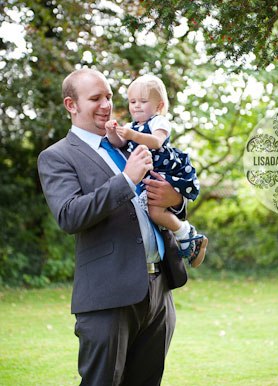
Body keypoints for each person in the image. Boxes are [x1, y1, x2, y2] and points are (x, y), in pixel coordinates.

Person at [38, 68, 189, 385]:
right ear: (71, 105)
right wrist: (126, 180)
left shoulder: (128, 144)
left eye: (108, 96)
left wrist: (176, 200)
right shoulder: (56, 157)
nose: (106, 105)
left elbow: (165, 196)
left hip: (158, 289)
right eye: (95, 98)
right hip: (107, 296)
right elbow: (69, 214)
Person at [105, 74, 207, 267]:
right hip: (148, 173)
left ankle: (186, 234)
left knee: (155, 211)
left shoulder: (158, 121)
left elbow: (157, 141)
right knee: (151, 212)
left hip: (164, 170)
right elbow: (118, 143)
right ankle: (187, 237)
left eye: (143, 101)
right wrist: (112, 131)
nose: (136, 106)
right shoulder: (131, 126)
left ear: (159, 106)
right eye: (132, 101)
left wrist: (133, 135)